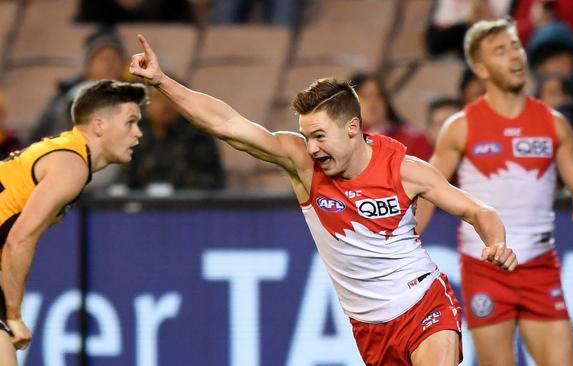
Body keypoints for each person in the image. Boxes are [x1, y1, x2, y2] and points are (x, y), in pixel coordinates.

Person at [130, 34, 517, 365]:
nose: (311, 147)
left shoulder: (404, 169)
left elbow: (477, 210)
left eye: (319, 135)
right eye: (306, 136)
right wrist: (162, 81)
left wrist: (496, 242)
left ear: (352, 128)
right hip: (369, 328)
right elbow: (228, 124)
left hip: (424, 303)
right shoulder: (302, 164)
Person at [416, 18, 573, 366]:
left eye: (515, 45)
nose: (515, 56)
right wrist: (402, 245)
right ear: (482, 68)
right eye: (501, 51)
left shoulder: (554, 123)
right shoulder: (461, 127)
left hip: (539, 267)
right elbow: (428, 190)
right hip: (485, 269)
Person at [0, 80, 147, 365]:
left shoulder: (64, 152)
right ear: (99, 125)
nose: (138, 133)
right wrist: (14, 316)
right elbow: (19, 239)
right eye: (130, 122)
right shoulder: (72, 165)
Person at [28, 28, 127, 143]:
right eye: (103, 59)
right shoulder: (69, 98)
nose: (109, 66)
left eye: (114, 60)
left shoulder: (136, 97)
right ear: (88, 66)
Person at [119, 85, 226, 190]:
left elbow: (208, 182)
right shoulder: (135, 132)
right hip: (142, 204)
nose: (165, 105)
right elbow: (124, 179)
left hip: (187, 204)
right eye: (158, 98)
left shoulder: (198, 134)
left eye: (171, 98)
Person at [350, 72, 433, 161]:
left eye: (378, 95)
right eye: (364, 96)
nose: (372, 103)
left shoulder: (415, 139)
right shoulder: (342, 140)